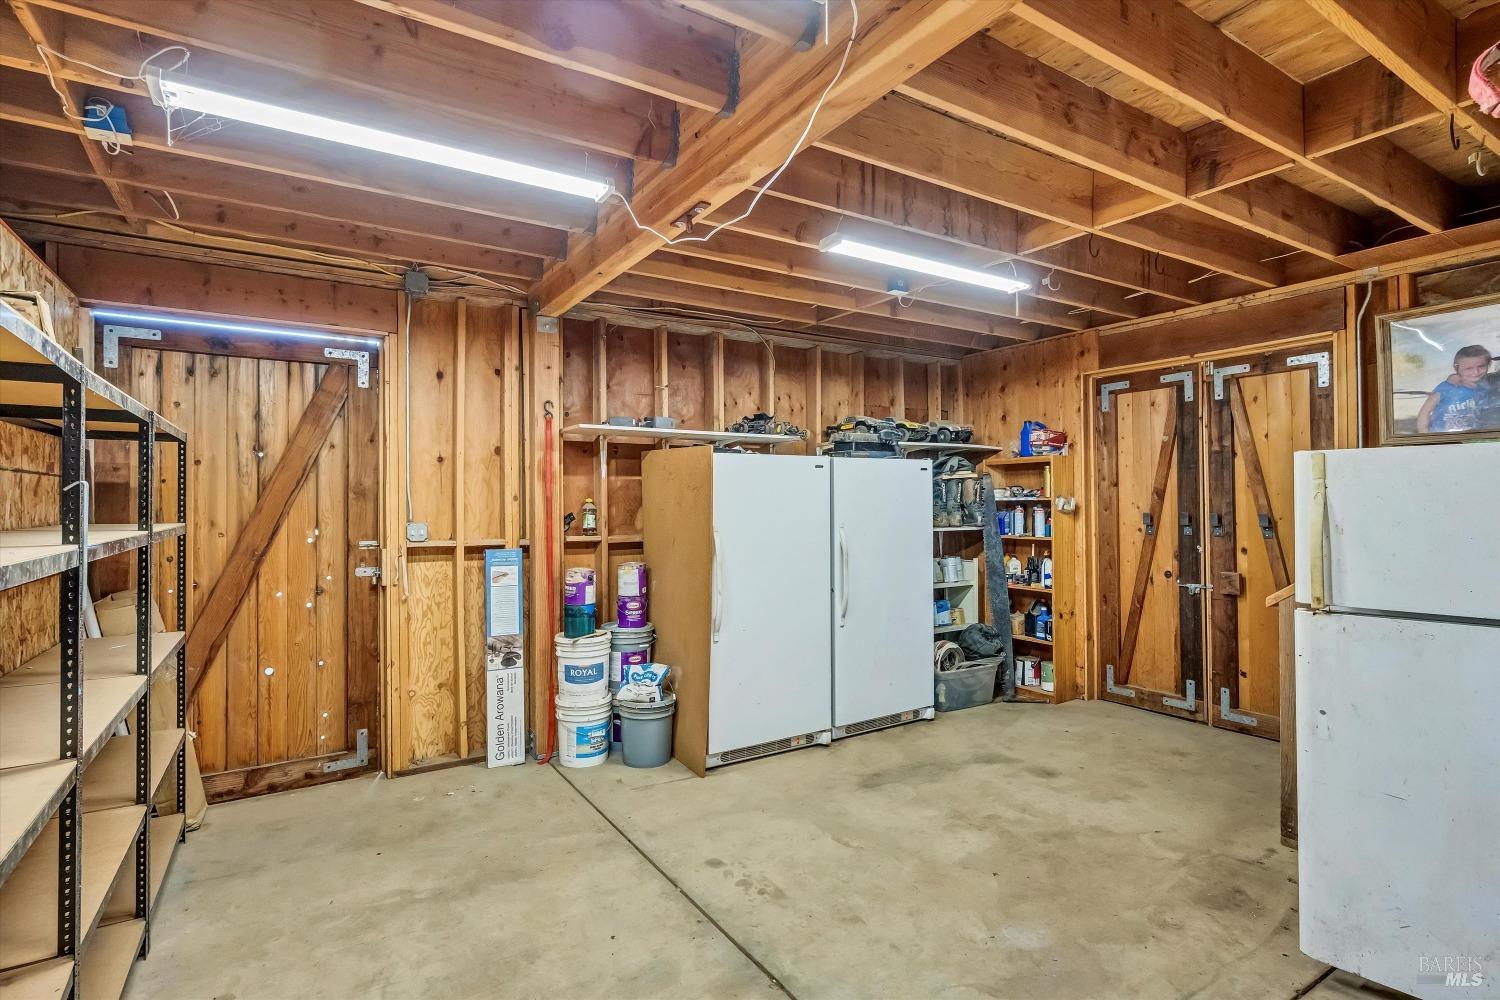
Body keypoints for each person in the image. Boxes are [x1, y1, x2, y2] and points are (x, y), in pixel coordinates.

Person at [1416, 345, 1494, 433]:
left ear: (1488, 365)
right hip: (1443, 438)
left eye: (1481, 366)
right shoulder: (1447, 387)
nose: (1476, 372)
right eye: (1468, 368)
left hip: (1476, 437)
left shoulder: (1490, 385)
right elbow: (1425, 413)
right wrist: (1426, 437)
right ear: (1457, 369)